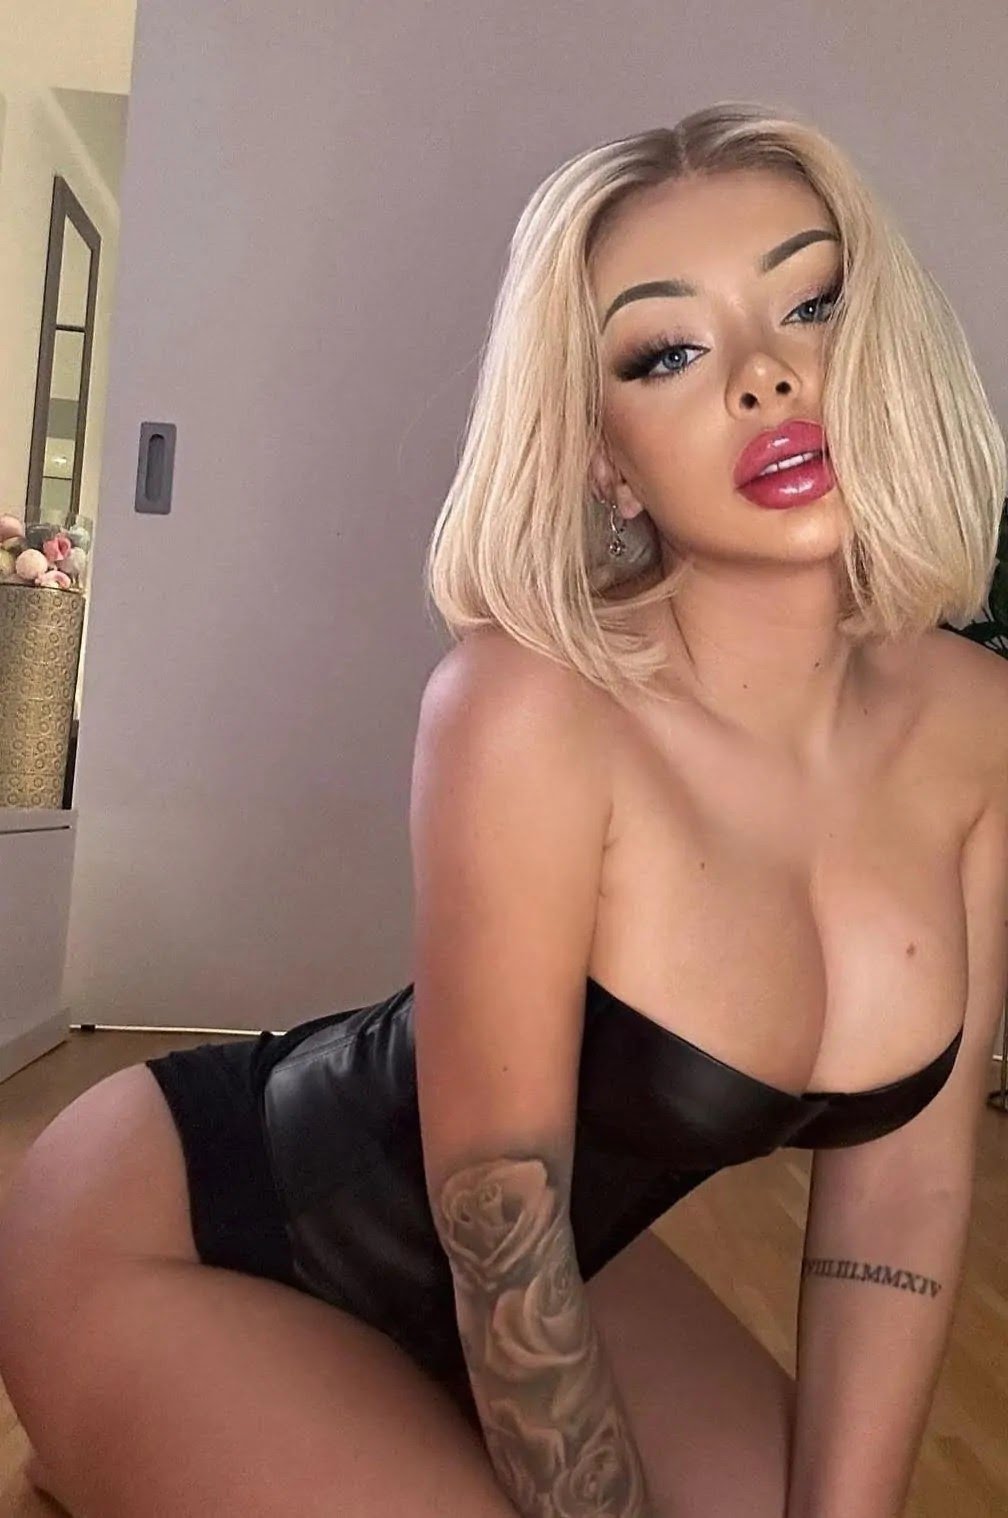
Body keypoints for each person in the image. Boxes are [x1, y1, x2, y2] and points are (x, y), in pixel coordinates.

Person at [1, 100, 1006, 1518]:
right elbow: (503, 1218)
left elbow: (900, 1202)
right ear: (603, 453)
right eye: (668, 352)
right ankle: (112, 1428)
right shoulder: (529, 702)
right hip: (191, 1232)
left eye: (812, 303)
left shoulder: (977, 723)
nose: (768, 378)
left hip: (569, 1272)